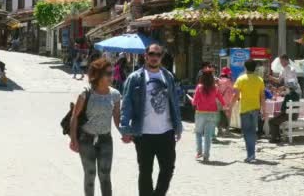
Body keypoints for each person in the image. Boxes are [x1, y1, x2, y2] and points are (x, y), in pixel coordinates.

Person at [119, 43, 182, 196]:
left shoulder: (168, 76)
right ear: (145, 56)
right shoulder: (135, 78)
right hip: (143, 134)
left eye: (158, 55)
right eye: (152, 54)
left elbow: (173, 102)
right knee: (145, 171)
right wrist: (125, 129)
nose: (154, 57)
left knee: (168, 169)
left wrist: (178, 126)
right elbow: (126, 104)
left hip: (166, 132)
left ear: (161, 57)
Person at [69, 58, 121, 196]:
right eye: (108, 73)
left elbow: (117, 119)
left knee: (105, 176)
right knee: (90, 174)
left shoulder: (115, 95)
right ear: (98, 75)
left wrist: (127, 133)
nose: (112, 76)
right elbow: (74, 116)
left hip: (105, 140)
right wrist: (73, 139)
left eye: (113, 73)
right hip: (86, 139)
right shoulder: (86, 93)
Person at [230, 59, 265, 163]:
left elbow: (236, 95)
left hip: (245, 109)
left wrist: (230, 106)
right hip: (255, 109)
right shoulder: (259, 80)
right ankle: (252, 153)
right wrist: (264, 110)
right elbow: (262, 97)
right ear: (255, 68)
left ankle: (250, 154)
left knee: (246, 133)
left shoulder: (241, 79)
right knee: (252, 132)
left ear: (245, 67)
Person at [192, 71, 226, 162]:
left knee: (198, 132)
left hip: (200, 113)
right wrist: (225, 106)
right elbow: (222, 100)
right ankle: (206, 155)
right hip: (212, 113)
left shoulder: (199, 87)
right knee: (208, 136)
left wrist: (193, 101)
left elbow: (194, 102)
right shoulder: (215, 88)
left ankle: (199, 152)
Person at [217, 67, 235, 135]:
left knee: (219, 115)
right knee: (228, 116)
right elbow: (234, 89)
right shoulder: (228, 81)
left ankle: (219, 130)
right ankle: (227, 130)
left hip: (219, 100)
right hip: (227, 101)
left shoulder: (219, 81)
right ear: (227, 74)